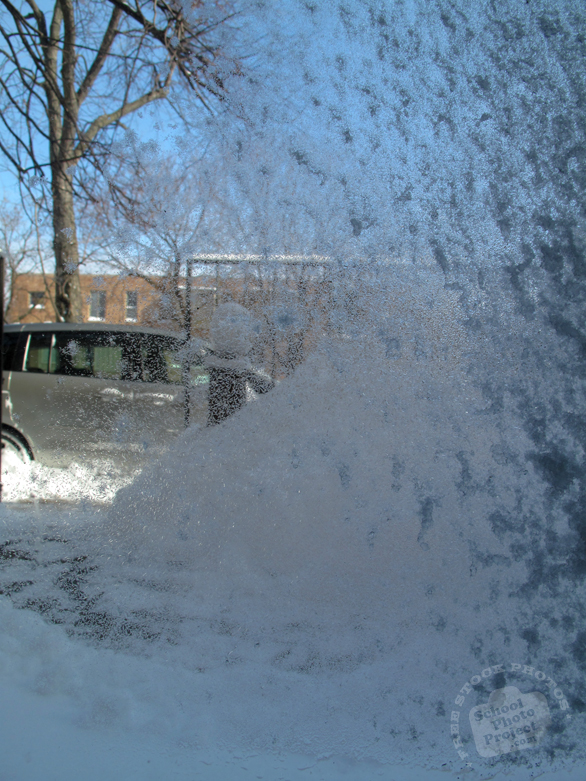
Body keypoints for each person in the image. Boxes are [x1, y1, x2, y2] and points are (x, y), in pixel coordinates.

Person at [205, 303, 274, 425]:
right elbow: (266, 389)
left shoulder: (220, 367)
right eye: (247, 330)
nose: (252, 335)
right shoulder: (233, 371)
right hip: (229, 432)